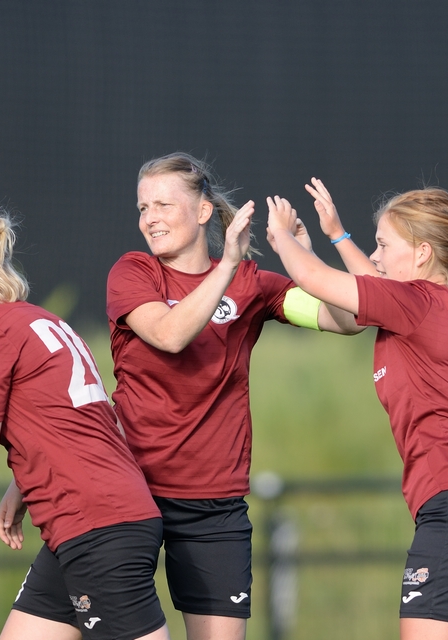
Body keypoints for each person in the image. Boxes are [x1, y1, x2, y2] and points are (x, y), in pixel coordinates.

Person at [265, 179, 448, 640]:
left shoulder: (417, 304)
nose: (375, 256)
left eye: (383, 245)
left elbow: (315, 280)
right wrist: (336, 236)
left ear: (423, 253)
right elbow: (378, 289)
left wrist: (282, 238)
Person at [105, 152, 361, 640]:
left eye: (163, 205)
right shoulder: (133, 271)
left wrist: (304, 261)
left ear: (203, 211)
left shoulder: (252, 285)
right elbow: (170, 335)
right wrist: (226, 266)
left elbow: (347, 321)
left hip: (213, 502)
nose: (149, 218)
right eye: (142, 208)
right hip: (131, 491)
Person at [0, 199, 170, 640]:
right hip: (94, 518)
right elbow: (75, 424)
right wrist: (22, 488)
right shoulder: (37, 319)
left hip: (96, 525)